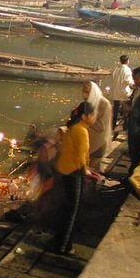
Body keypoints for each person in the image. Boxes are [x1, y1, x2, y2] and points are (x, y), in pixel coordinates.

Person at [53, 101, 97, 255]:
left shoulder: (74, 128)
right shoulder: (81, 131)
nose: (94, 117)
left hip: (64, 170)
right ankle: (63, 246)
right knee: (73, 211)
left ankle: (59, 241)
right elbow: (81, 155)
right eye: (92, 114)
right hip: (74, 172)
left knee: (66, 209)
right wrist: (86, 170)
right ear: (85, 116)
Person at [81, 81, 112, 170]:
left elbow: (101, 126)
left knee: (93, 169)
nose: (84, 94)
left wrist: (85, 120)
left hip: (98, 143)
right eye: (83, 92)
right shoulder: (88, 102)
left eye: (87, 92)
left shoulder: (104, 104)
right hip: (87, 141)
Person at [110, 55, 134, 129]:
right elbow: (129, 82)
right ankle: (125, 125)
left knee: (115, 109)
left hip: (115, 91)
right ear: (127, 61)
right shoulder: (127, 70)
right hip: (123, 93)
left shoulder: (116, 68)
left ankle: (113, 125)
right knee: (126, 109)